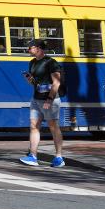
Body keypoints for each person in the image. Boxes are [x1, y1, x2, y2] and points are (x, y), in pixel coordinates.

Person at [20, 38, 65, 167]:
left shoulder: (51, 63)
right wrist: (30, 80)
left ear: (38, 48)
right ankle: (33, 156)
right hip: (36, 99)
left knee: (53, 127)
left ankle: (59, 157)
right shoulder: (32, 63)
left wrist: (49, 100)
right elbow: (36, 83)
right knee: (34, 126)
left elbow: (56, 82)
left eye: (30, 48)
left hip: (50, 99)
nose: (28, 50)